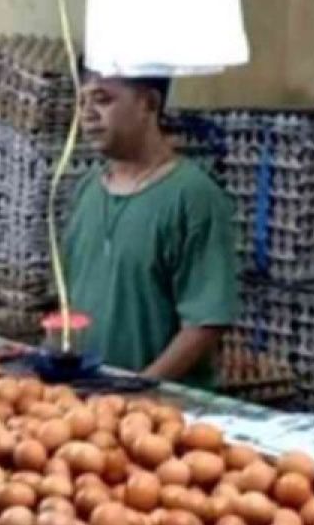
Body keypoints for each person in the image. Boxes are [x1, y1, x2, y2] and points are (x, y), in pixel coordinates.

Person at [63, 69, 238, 388]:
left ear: (149, 103)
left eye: (102, 99)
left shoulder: (192, 197)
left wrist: (140, 387)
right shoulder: (87, 190)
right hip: (89, 399)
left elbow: (205, 322)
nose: (87, 114)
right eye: (82, 101)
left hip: (163, 411)